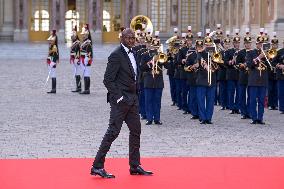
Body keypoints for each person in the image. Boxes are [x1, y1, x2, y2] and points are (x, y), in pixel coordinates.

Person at [91, 28, 153, 178]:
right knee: (113, 132)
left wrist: (148, 65)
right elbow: (108, 80)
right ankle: (97, 166)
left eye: (133, 37)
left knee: (136, 131)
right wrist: (119, 98)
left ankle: (135, 165)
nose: (131, 40)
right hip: (120, 102)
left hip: (133, 100)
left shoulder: (135, 53)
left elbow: (133, 73)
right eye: (128, 38)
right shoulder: (115, 55)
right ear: (122, 38)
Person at [246, 28, 269, 124]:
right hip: (253, 80)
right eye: (259, 44)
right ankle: (254, 118)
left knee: (261, 101)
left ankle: (260, 118)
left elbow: (271, 67)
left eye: (262, 44)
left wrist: (267, 57)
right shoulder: (251, 53)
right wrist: (259, 58)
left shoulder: (267, 54)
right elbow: (249, 65)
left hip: (263, 80)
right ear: (256, 44)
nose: (261, 45)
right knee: (252, 100)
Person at [80, 24, 93, 94]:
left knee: (87, 74)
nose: (83, 36)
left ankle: (87, 89)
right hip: (83, 59)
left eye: (84, 35)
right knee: (85, 74)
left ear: (87, 35)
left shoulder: (88, 43)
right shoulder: (85, 42)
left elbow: (89, 53)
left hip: (86, 60)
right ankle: (86, 89)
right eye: (82, 35)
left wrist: (87, 60)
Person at [70, 25, 81, 92]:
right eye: (72, 36)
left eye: (73, 36)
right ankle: (78, 87)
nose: (72, 37)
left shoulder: (78, 43)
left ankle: (79, 87)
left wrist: (79, 59)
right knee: (76, 73)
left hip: (77, 59)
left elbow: (79, 51)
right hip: (74, 59)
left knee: (78, 73)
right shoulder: (74, 42)